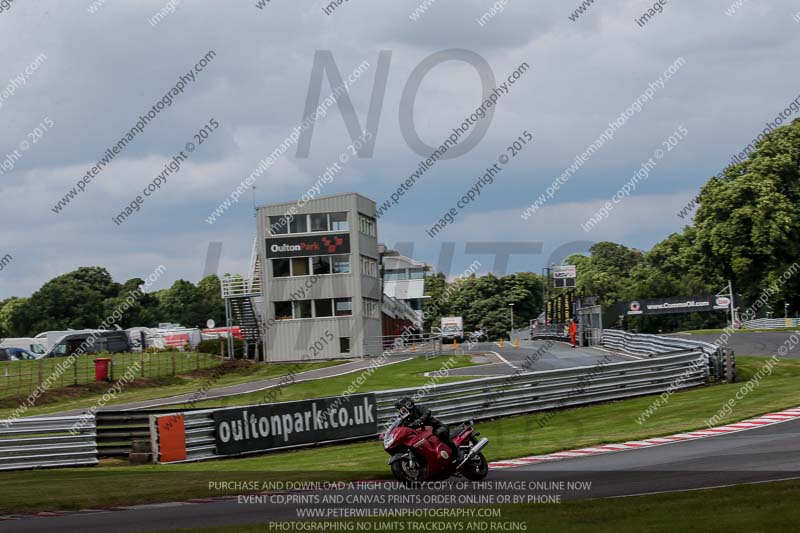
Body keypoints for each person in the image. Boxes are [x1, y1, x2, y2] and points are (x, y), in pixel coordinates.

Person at [395, 396, 462, 462]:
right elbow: (400, 427)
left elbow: (427, 413)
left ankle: (458, 453)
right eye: (399, 409)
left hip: (437, 427)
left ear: (408, 405)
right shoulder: (405, 418)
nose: (400, 410)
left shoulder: (419, 408)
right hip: (423, 435)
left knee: (439, 434)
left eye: (401, 408)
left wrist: (420, 420)